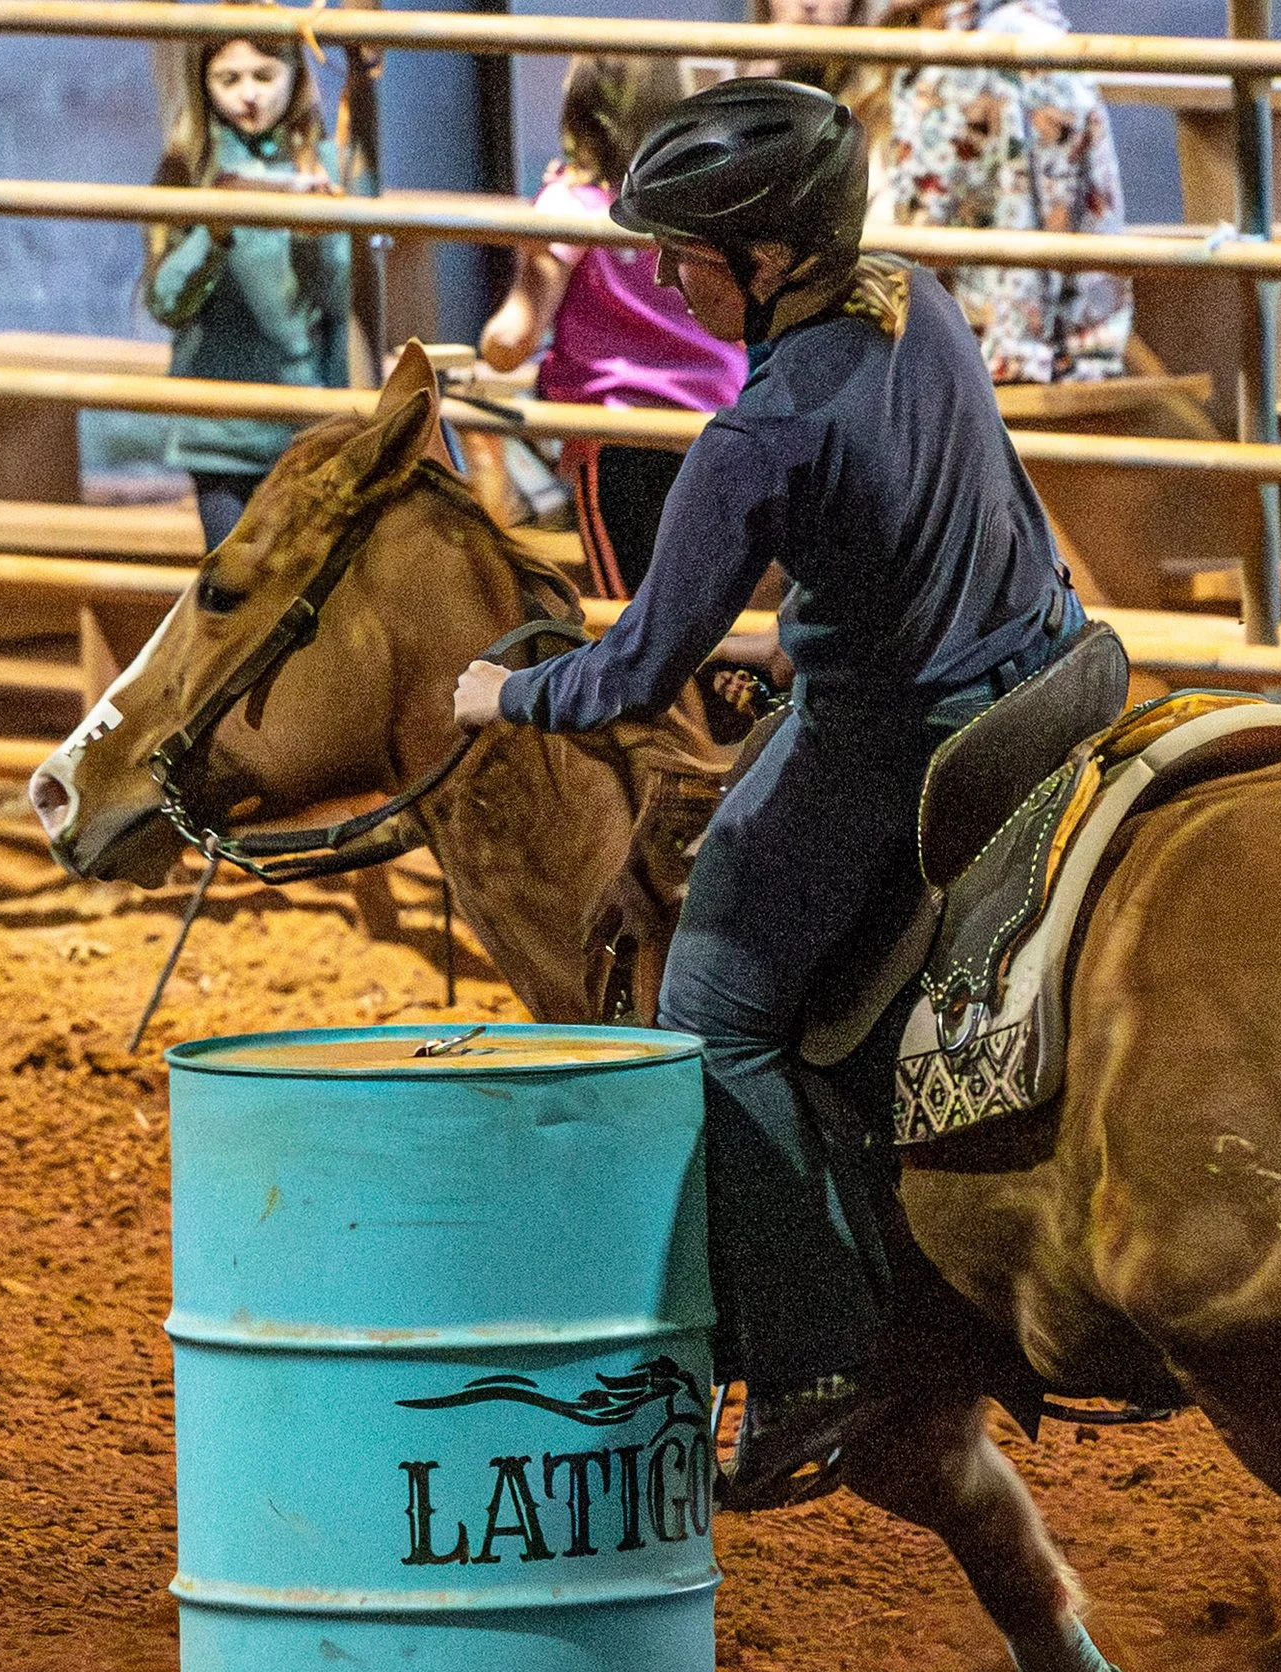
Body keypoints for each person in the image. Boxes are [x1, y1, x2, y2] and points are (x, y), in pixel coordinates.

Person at [451, 79, 1085, 1506]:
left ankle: (811, 1362)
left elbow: (628, 676)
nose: (663, 275)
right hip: (1052, 660)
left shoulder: (758, 437)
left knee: (714, 1012)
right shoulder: (915, 302)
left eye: (686, 253)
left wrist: (504, 693)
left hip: (899, 733)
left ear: (774, 260)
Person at [480, 58, 748, 599]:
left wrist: (486, 353)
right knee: (707, 607)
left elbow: (513, 340)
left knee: (631, 610)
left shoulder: (571, 207)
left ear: (581, 118)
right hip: (719, 429)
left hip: (619, 440)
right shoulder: (701, 204)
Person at [144, 36, 356, 550]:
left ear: (294, 76)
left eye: (265, 76)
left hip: (307, 432)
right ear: (203, 84)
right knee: (236, 601)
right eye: (228, 79)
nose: (248, 96)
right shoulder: (184, 165)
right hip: (220, 437)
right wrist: (213, 230)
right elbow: (166, 304)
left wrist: (317, 239)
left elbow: (338, 303)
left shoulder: (324, 161)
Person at [877, 0, 1132, 384]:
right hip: (981, 347)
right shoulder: (952, 40)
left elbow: (1024, 236)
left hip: (1006, 360)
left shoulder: (998, 49)